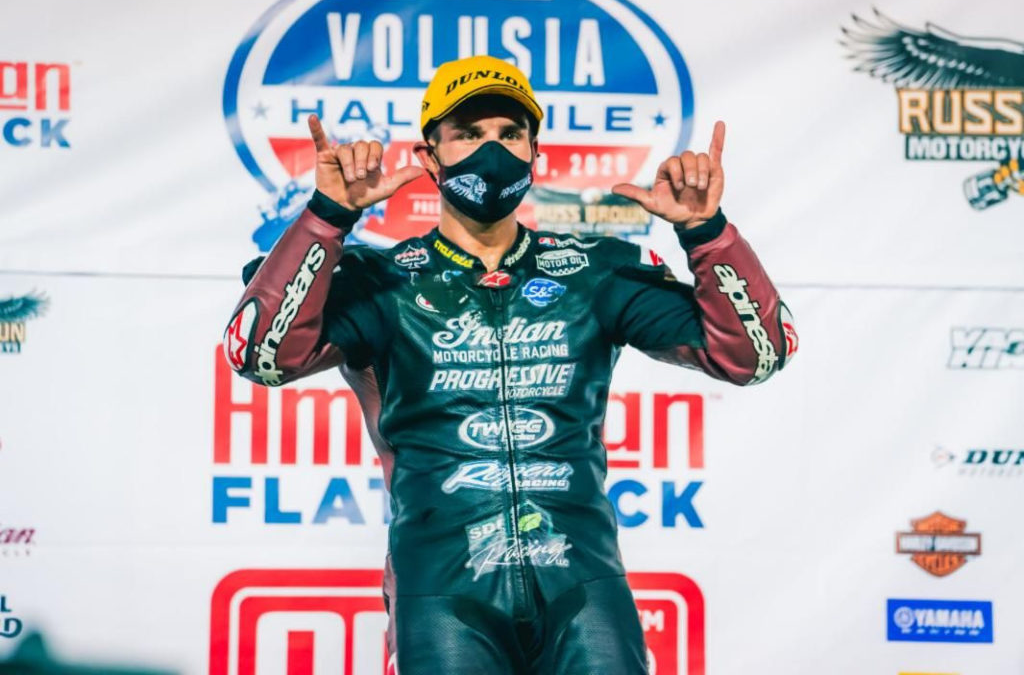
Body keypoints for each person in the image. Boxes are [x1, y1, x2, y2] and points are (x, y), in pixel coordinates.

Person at [223, 55, 796, 674]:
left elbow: (754, 354)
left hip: (584, 585)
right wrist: (327, 217)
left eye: (509, 134)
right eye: (468, 134)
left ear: (534, 153)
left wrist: (707, 233)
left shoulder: (596, 270)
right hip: (441, 591)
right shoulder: (380, 283)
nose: (491, 150)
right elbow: (261, 355)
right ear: (429, 158)